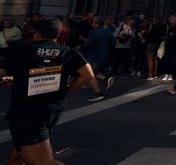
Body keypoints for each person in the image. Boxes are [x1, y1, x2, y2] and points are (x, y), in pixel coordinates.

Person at [0, 19, 95, 165]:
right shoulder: (67, 52)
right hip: (52, 110)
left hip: (27, 112)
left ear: (36, 33)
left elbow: (2, 73)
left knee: (42, 161)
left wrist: (11, 78)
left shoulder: (21, 50)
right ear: (58, 34)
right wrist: (66, 89)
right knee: (16, 158)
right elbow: (88, 75)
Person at [84, 16, 116, 102]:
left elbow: (89, 45)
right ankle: (106, 79)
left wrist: (81, 47)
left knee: (89, 74)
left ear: (96, 23)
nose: (92, 23)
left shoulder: (94, 32)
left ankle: (98, 93)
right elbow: (113, 42)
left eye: (93, 22)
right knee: (95, 72)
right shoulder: (107, 32)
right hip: (104, 55)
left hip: (95, 55)